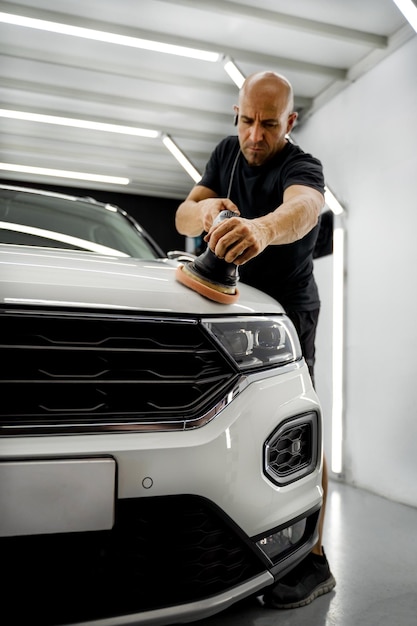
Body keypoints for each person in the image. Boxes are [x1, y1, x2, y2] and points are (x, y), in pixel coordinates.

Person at [175, 70, 336, 609]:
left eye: (269, 124)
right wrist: (208, 210)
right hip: (234, 305)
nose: (255, 136)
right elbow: (182, 213)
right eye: (246, 121)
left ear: (289, 122)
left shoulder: (301, 166)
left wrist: (262, 229)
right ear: (236, 116)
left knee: (297, 423)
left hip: (289, 311)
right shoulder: (226, 153)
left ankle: (313, 557)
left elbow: (304, 209)